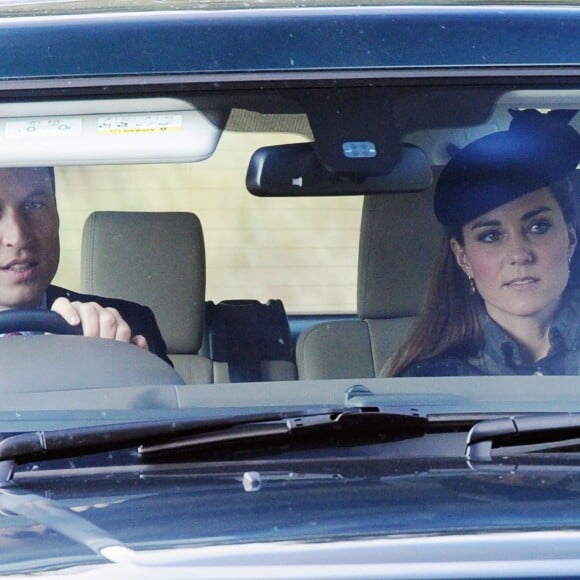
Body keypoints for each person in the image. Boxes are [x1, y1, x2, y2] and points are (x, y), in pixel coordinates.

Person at [384, 109, 580, 377]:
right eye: (491, 236)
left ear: (570, 239)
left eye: (538, 227)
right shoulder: (432, 379)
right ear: (463, 258)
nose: (519, 254)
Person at [0, 166, 171, 365]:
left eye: (35, 205)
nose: (18, 237)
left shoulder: (130, 325)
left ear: (57, 215)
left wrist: (130, 372)